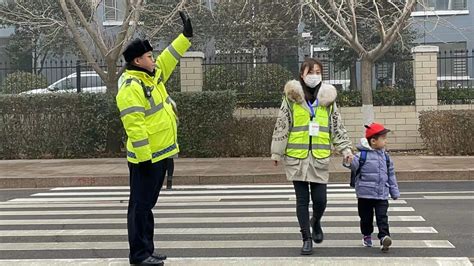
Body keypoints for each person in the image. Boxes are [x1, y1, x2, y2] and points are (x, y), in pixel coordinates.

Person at [116, 11, 193, 265]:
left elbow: (170, 57)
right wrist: (145, 158)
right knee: (139, 208)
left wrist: (185, 36)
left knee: (146, 207)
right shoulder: (131, 87)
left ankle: (147, 250)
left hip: (159, 154)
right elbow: (134, 127)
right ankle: (139, 255)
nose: (155, 59)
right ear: (138, 60)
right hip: (145, 159)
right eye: (150, 56)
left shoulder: (151, 76)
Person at [271, 58, 353, 255]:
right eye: (310, 72)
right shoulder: (291, 97)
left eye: (318, 71)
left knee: (320, 200)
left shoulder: (328, 98)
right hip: (296, 157)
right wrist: (276, 151)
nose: (314, 75)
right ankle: (306, 238)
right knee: (301, 200)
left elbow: (336, 126)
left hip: (319, 156)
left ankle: (315, 221)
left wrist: (345, 149)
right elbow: (282, 124)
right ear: (302, 74)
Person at [344, 122, 400, 252]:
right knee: (366, 218)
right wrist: (348, 159)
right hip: (365, 194)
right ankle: (367, 235)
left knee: (382, 217)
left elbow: (391, 175)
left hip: (382, 194)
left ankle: (384, 237)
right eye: (384, 138)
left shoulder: (386, 157)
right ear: (373, 141)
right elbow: (353, 166)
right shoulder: (361, 156)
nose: (386, 141)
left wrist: (394, 191)